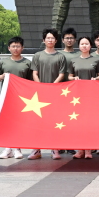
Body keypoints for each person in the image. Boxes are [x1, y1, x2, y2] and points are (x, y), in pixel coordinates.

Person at [30, 28, 67, 160]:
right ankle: (36, 149)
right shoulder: (37, 55)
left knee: (54, 121)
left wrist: (52, 87)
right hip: (39, 94)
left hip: (55, 93)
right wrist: (41, 86)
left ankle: (54, 148)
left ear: (56, 40)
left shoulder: (60, 56)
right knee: (38, 122)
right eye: (48, 38)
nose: (50, 40)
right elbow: (34, 73)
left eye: (52, 38)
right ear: (43, 40)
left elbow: (61, 74)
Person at [0, 36, 32, 160]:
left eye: (18, 46)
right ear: (9, 48)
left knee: (18, 123)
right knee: (7, 123)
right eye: (13, 46)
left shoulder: (27, 63)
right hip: (7, 97)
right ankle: (8, 148)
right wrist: (3, 76)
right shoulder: (4, 62)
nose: (16, 48)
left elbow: (31, 81)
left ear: (22, 48)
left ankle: (17, 148)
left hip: (22, 99)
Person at [68, 36, 99, 159]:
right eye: (82, 44)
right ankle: (80, 150)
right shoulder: (73, 60)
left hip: (91, 96)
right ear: (79, 46)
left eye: (86, 43)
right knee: (78, 123)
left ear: (90, 46)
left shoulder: (96, 60)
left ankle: (88, 150)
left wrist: (95, 79)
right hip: (77, 97)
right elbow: (69, 76)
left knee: (89, 123)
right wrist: (74, 78)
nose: (84, 46)